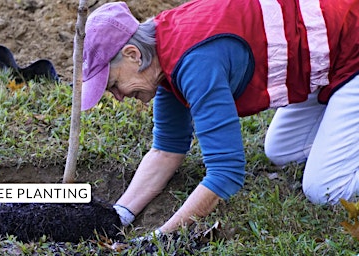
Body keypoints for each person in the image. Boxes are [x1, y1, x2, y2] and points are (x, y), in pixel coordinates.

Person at [80, 0, 359, 234]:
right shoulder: (160, 55)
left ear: (133, 55)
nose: (117, 96)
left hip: (354, 48)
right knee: (282, 150)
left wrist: (160, 238)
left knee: (324, 189)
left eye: (113, 84)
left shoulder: (196, 63)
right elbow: (166, 150)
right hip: (329, 64)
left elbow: (226, 172)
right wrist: (117, 217)